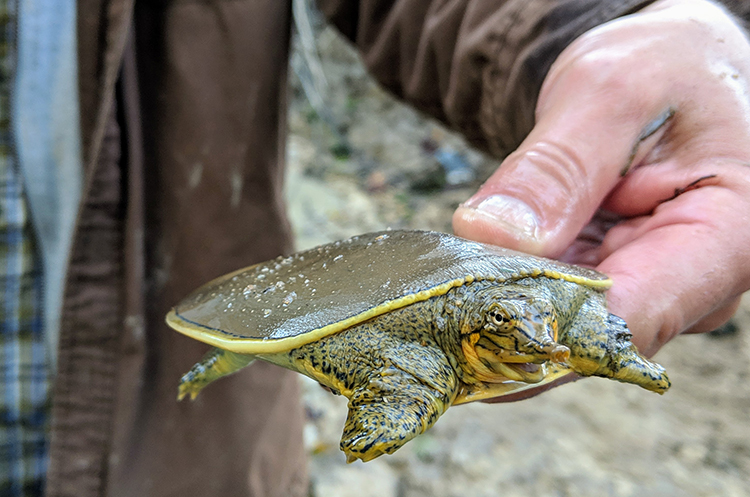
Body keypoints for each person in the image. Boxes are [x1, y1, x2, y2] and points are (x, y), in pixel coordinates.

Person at [2, 0, 749, 496]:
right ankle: (225, 353)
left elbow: (577, 316)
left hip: (172, 462)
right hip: (343, 318)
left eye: (535, 331)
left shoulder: (549, 309)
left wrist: (604, 31)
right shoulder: (420, 349)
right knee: (298, 355)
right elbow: (414, 377)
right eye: (514, 333)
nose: (533, 340)